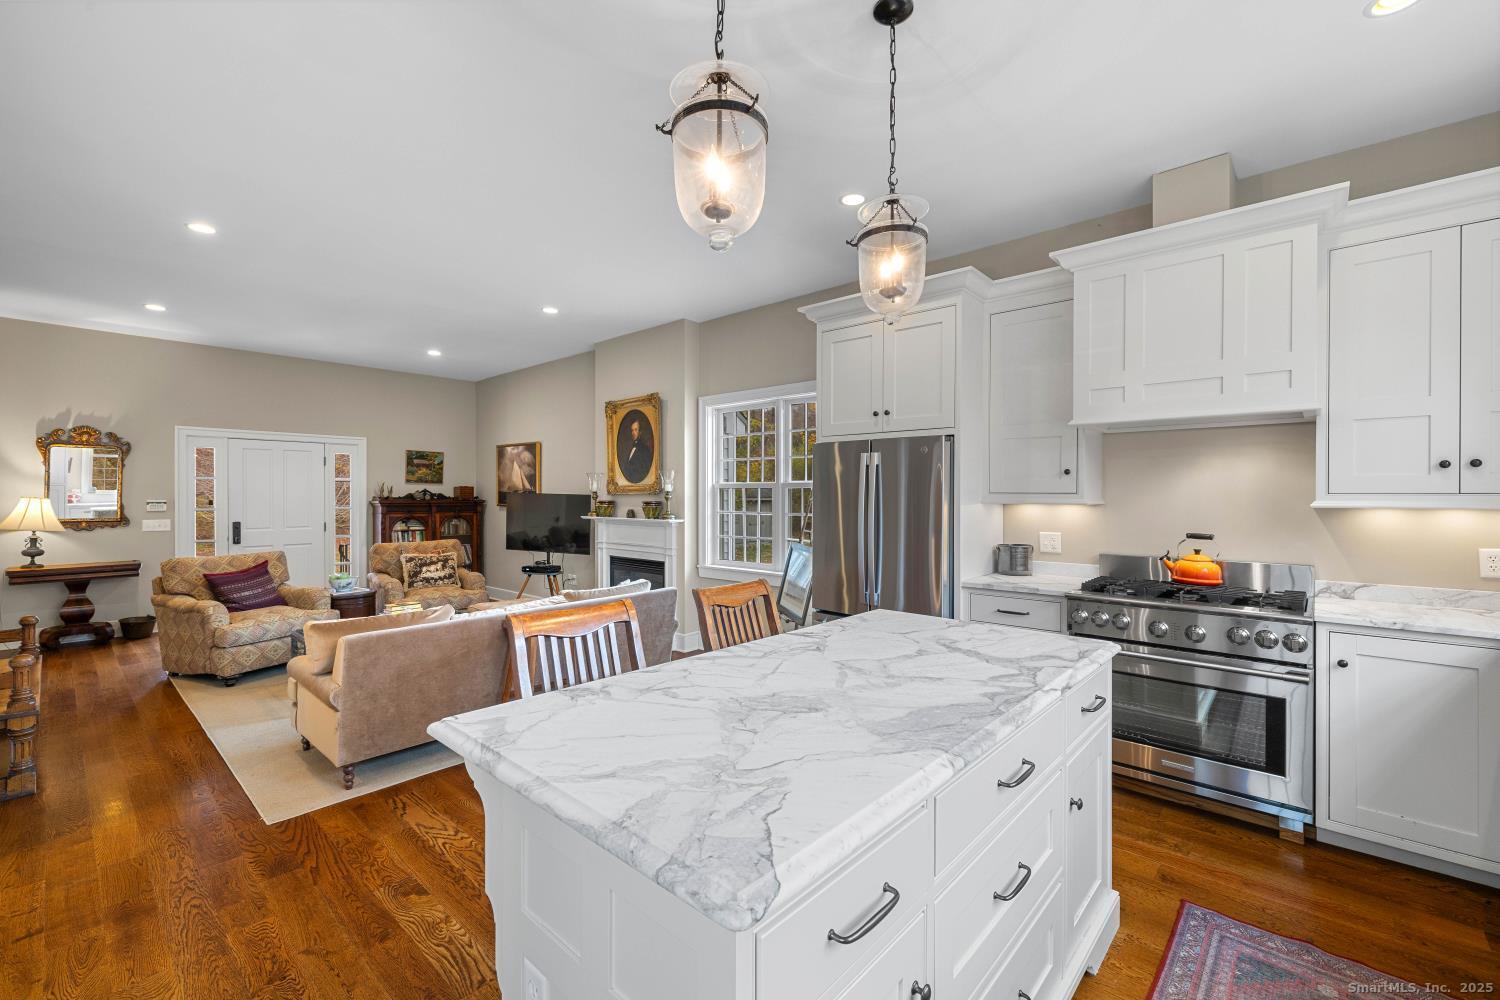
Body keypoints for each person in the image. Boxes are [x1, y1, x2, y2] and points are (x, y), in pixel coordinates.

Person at [618, 413, 654, 483]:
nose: (633, 433)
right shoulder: (631, 448)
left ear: (640, 432)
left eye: (635, 430)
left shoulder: (645, 449)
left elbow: (644, 470)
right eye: (632, 430)